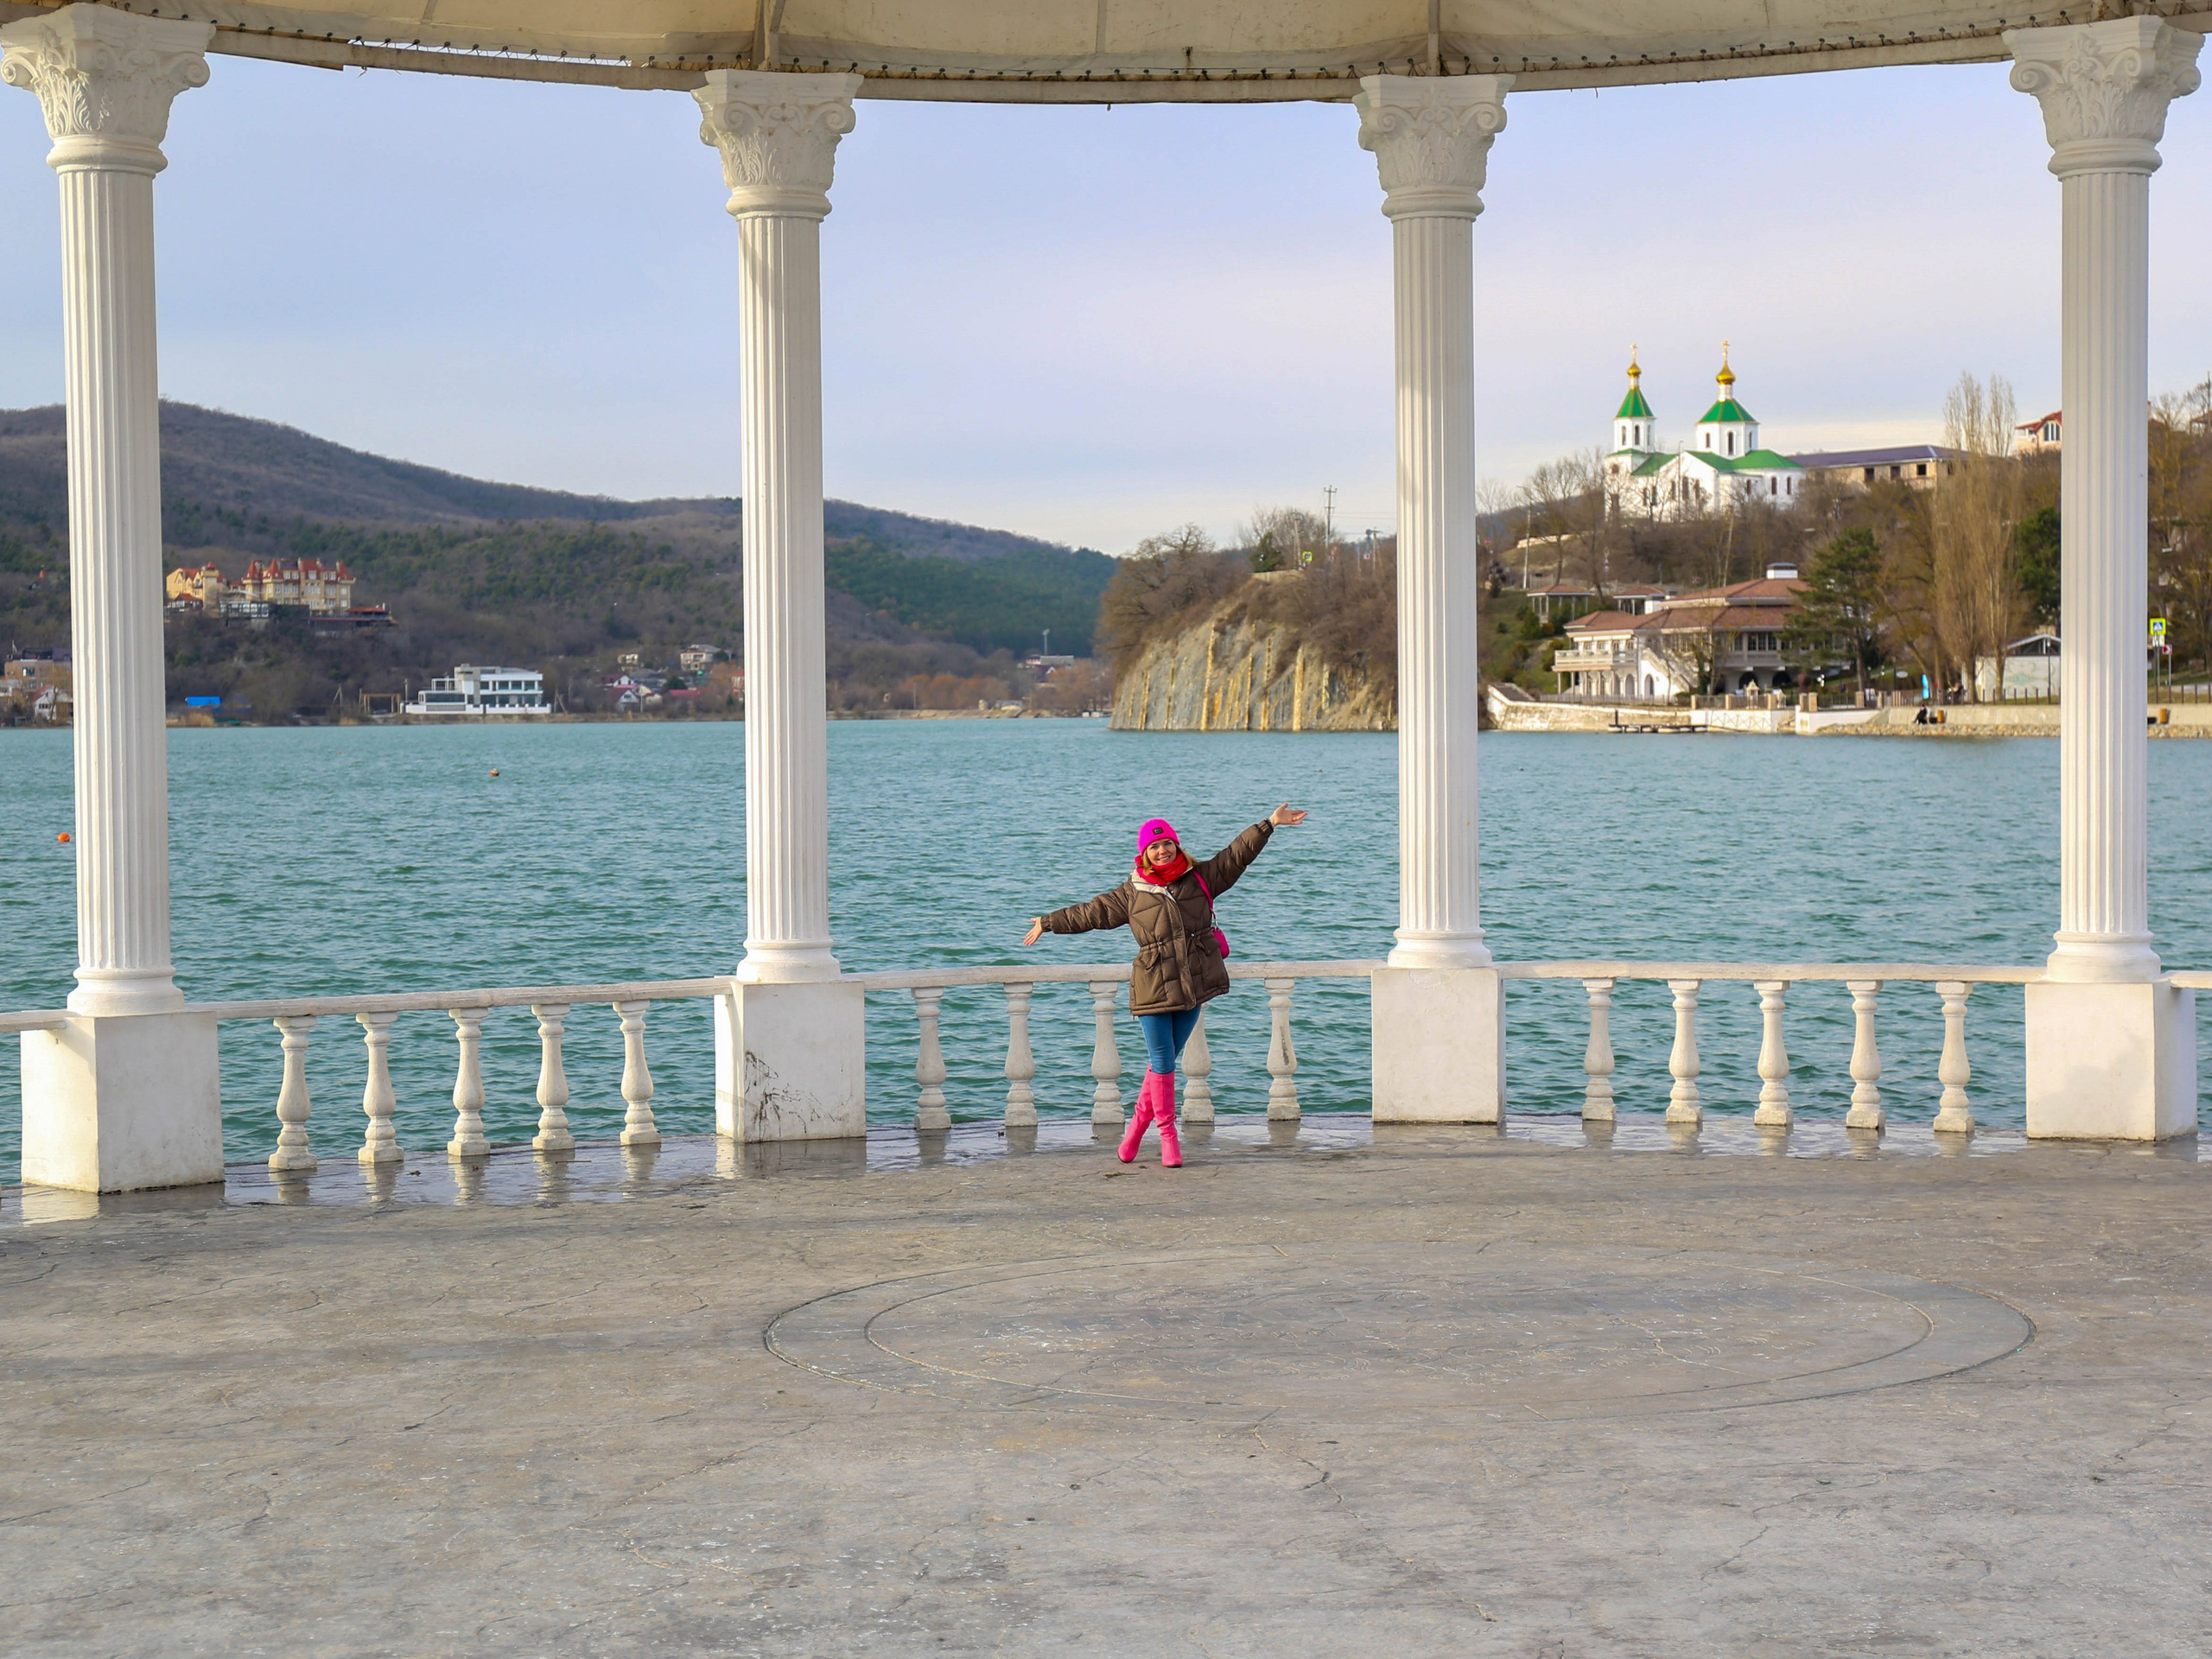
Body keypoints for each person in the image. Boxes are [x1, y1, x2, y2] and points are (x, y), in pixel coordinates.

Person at [1022, 804, 1306, 1166]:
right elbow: (1090, 913)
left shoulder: (1201, 877)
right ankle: (1168, 1136)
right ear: (1144, 854)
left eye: (1167, 844)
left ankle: (1136, 1129)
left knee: (1165, 1062)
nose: (1162, 851)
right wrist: (1048, 922)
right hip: (1153, 985)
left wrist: (1269, 824)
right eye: (1154, 847)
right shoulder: (1131, 893)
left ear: (1176, 845)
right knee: (1161, 1060)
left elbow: (1237, 855)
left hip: (1194, 983)